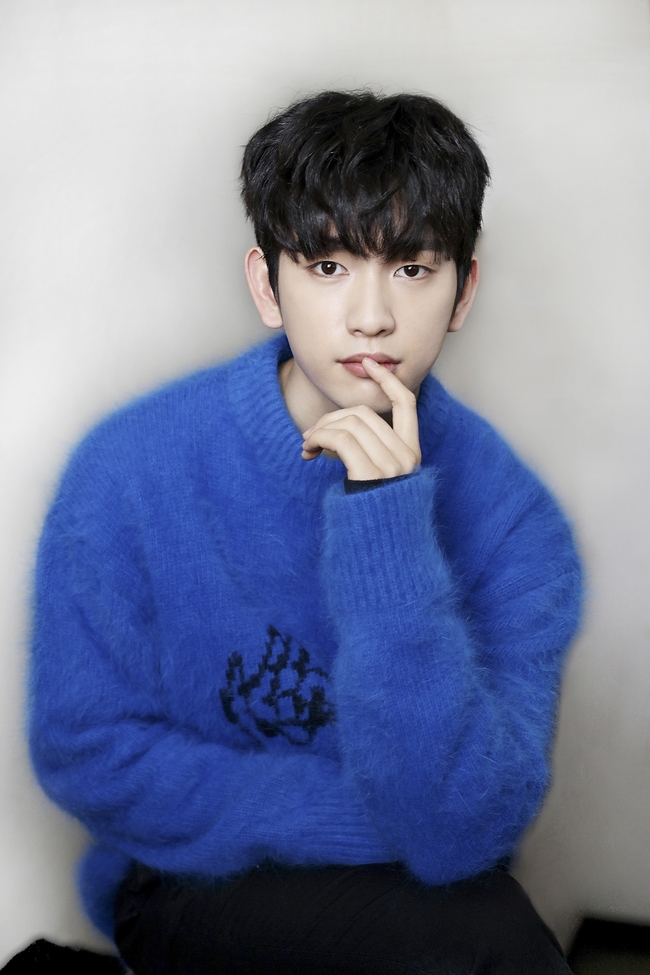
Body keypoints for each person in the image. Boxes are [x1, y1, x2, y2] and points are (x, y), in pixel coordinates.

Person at [29, 90, 582, 974]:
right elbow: (86, 748)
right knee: (486, 943)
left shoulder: (516, 522)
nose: (371, 316)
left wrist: (387, 525)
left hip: (428, 884)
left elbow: (462, 829)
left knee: (474, 933)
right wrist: (349, 817)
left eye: (412, 268)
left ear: (463, 291)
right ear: (267, 285)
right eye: (328, 266)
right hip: (188, 872)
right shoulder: (129, 466)